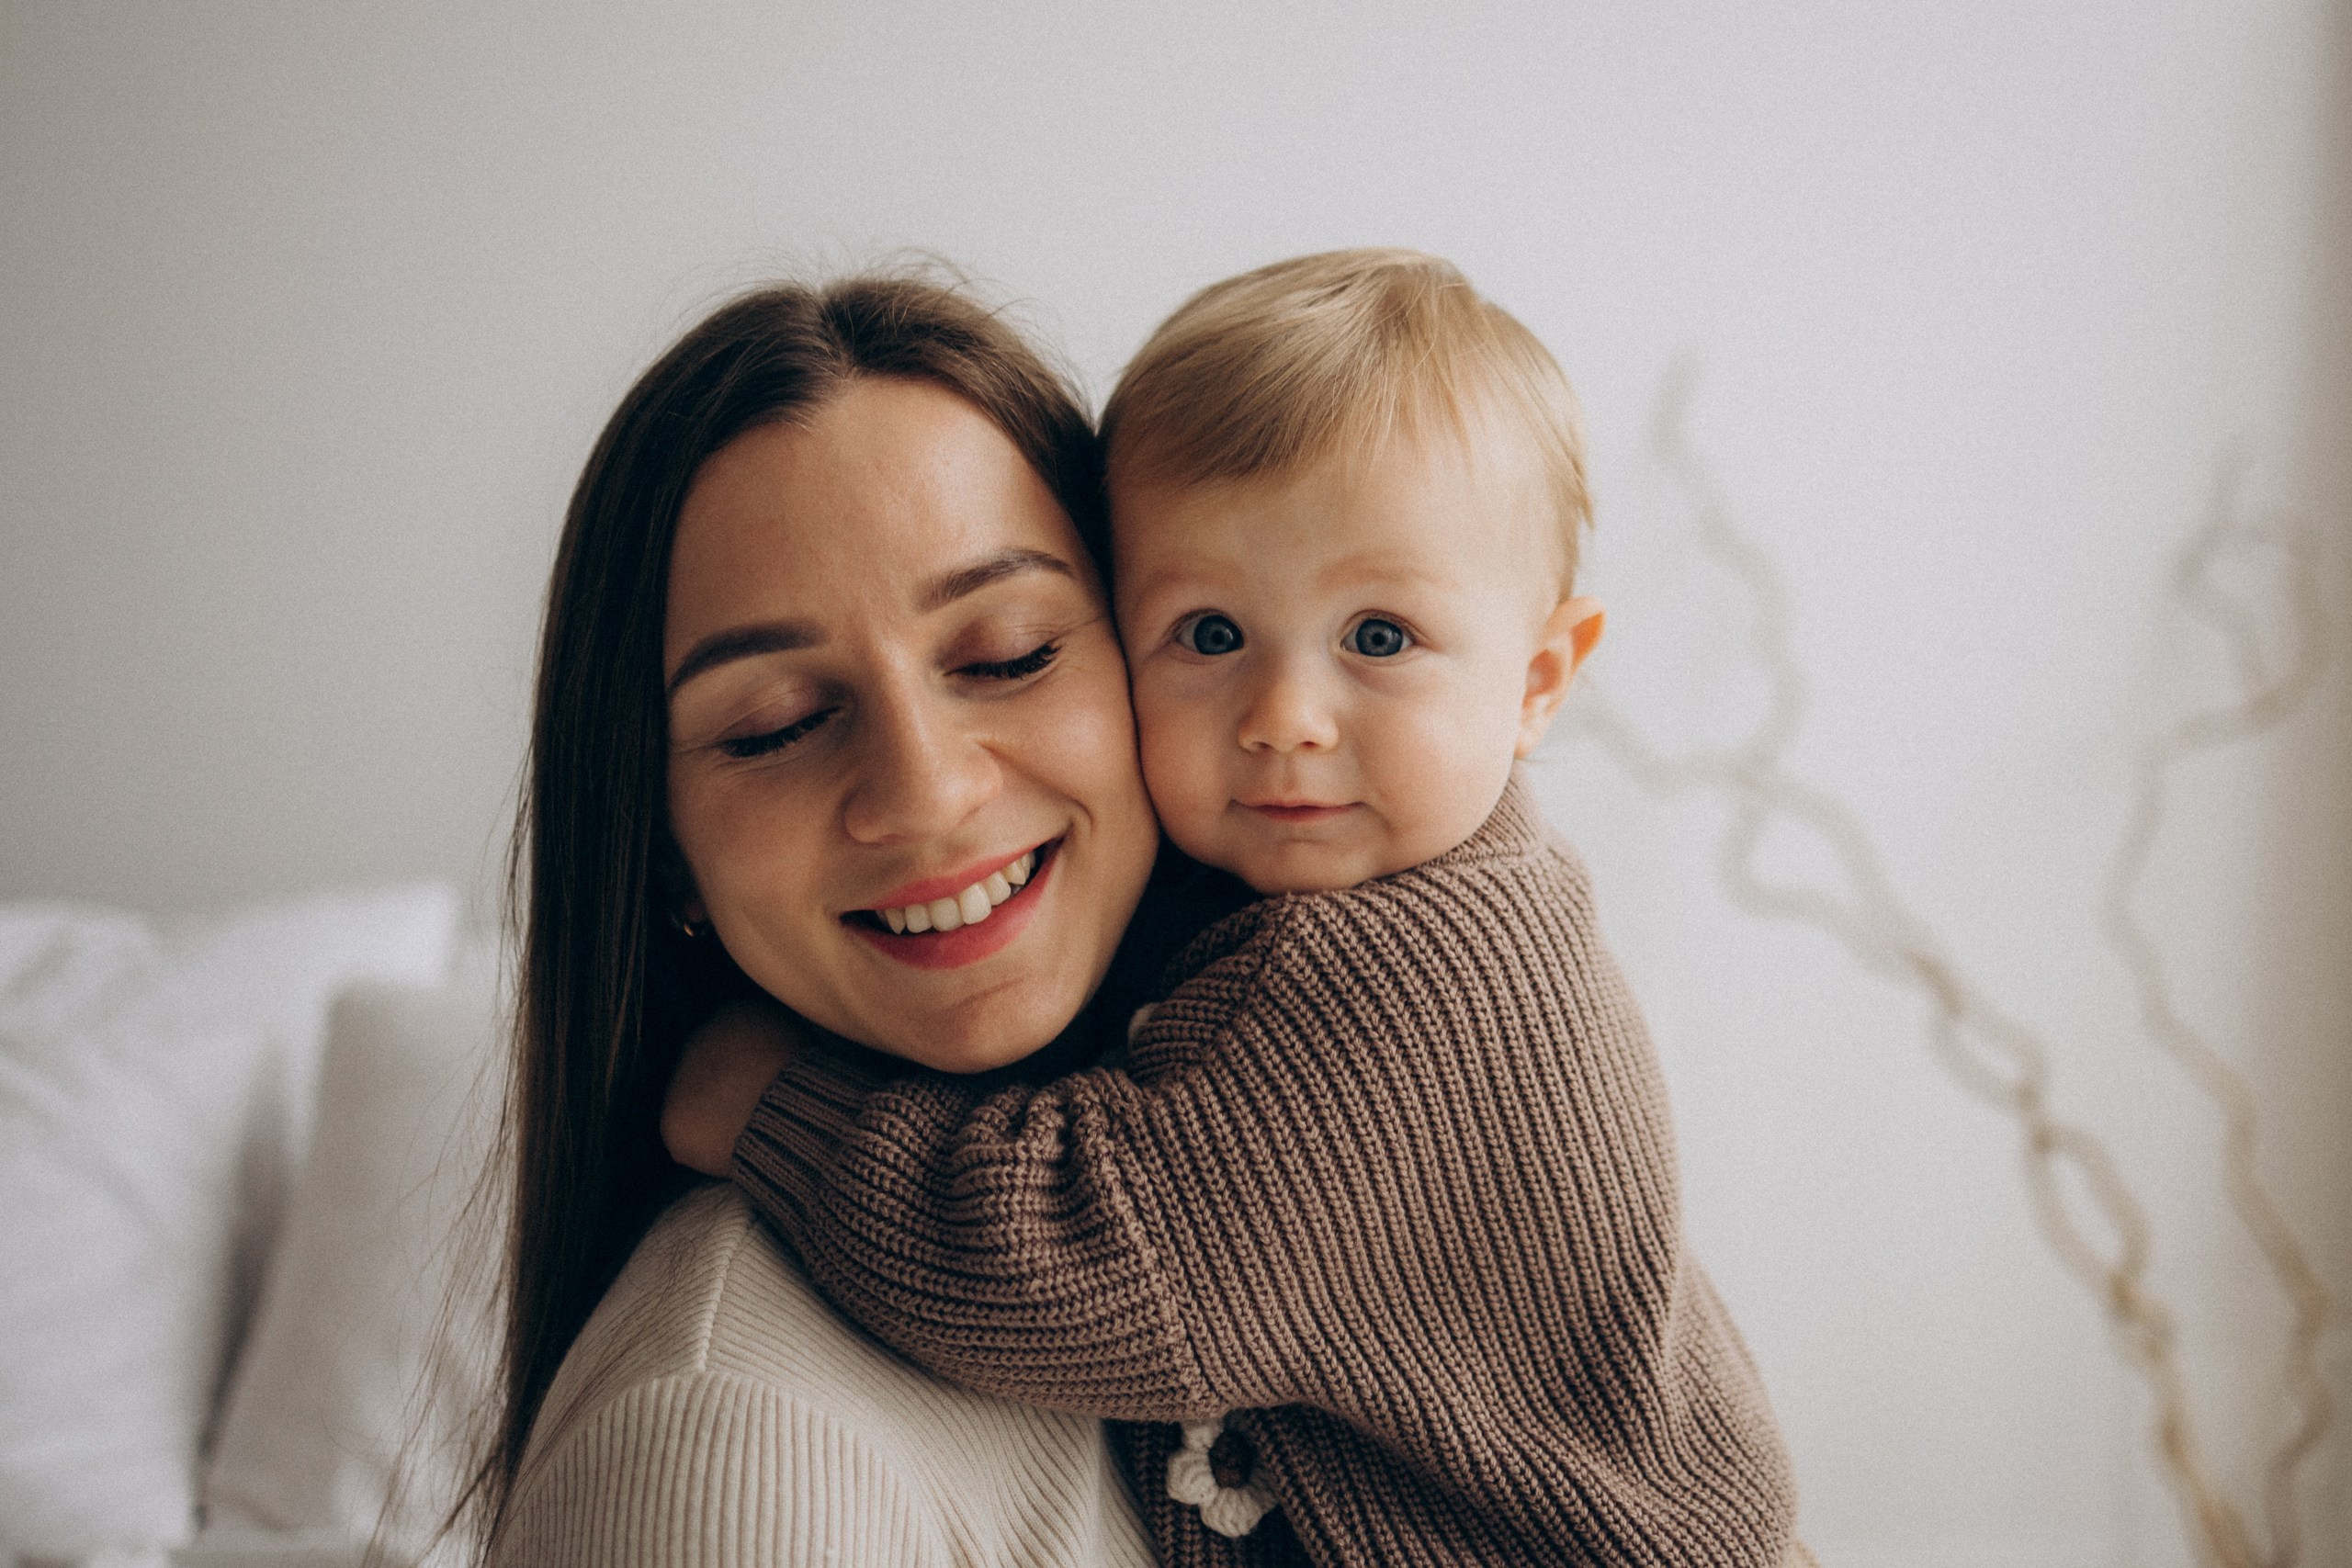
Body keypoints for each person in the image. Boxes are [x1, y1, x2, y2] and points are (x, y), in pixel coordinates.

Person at [670, 251, 1806, 1566]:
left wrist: (778, 1114)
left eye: (1378, 638)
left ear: (1540, 680)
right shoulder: (1333, 897)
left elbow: (1079, 1268)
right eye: (1210, 635)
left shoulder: (1425, 990)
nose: (1284, 717)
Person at [480, 274, 1168, 1565]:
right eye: (776, 725)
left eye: (1009, 652)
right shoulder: (724, 1449)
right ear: (661, 852)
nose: (925, 793)